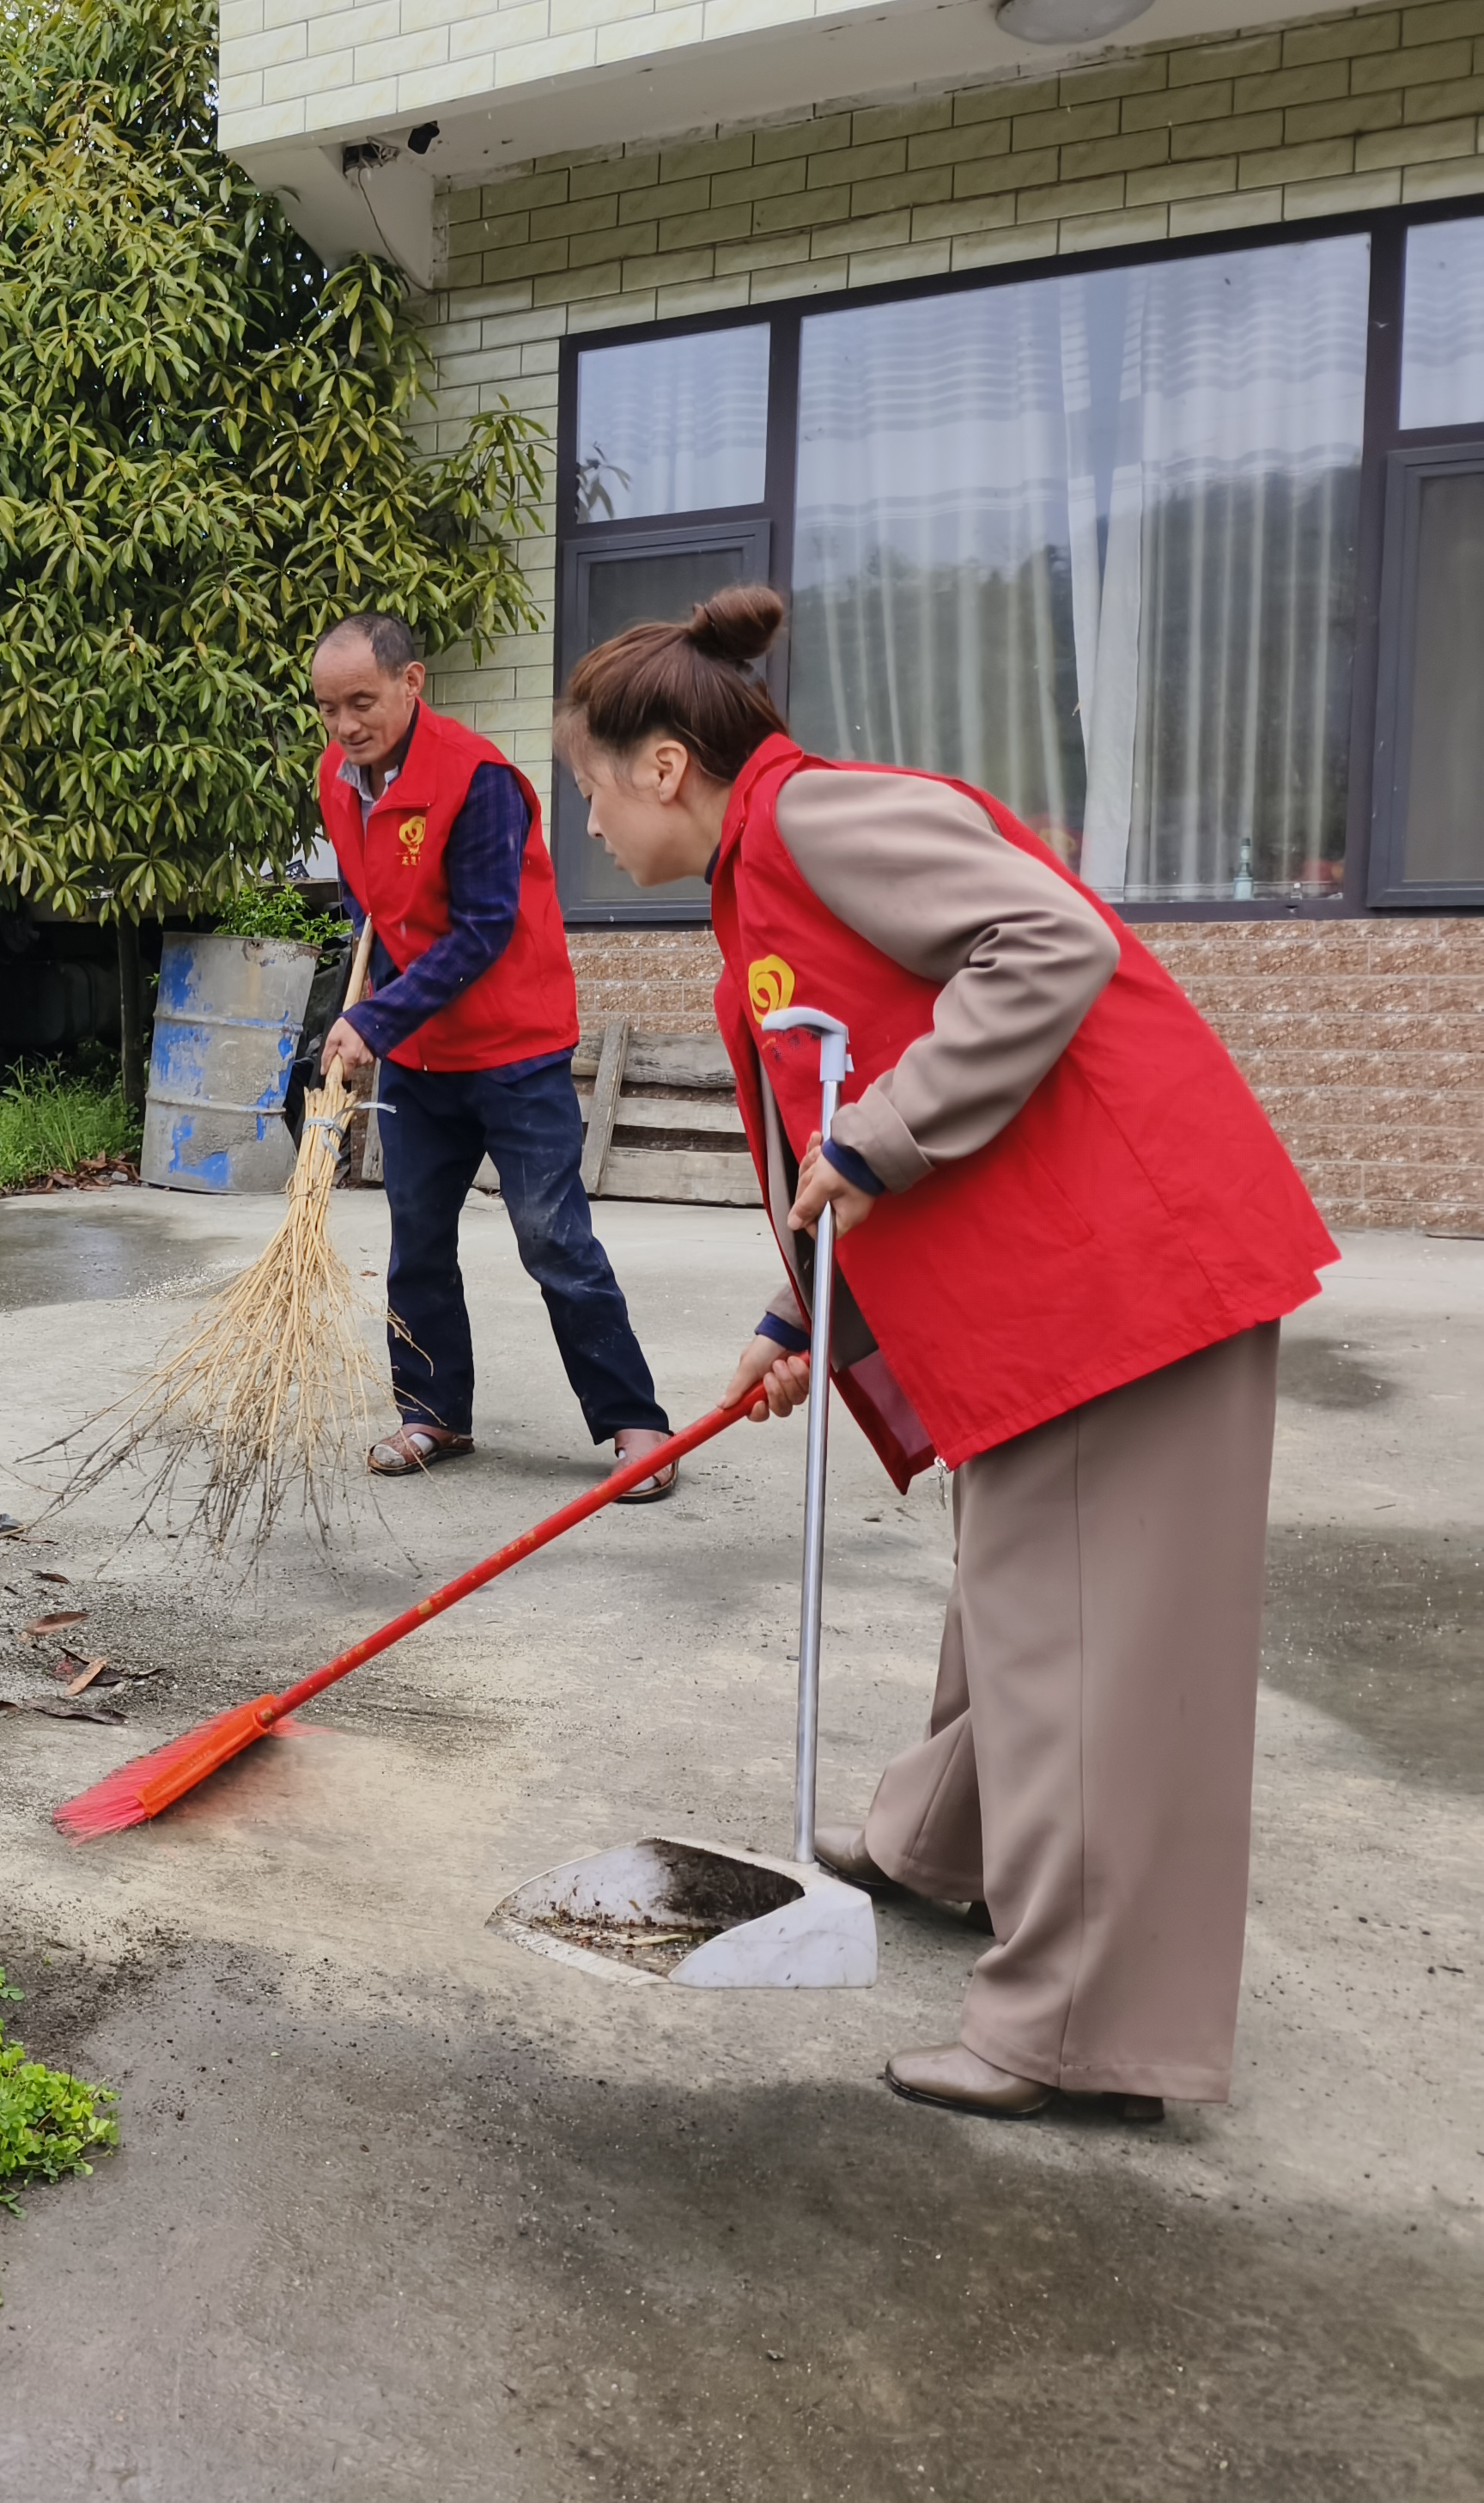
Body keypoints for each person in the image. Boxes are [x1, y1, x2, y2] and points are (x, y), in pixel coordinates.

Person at [560, 586, 1334, 2119]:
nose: (585, 824)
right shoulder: (755, 888)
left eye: (585, 786)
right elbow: (830, 1119)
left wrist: (890, 1129)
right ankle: (944, 1846)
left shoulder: (820, 822)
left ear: (662, 767)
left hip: (1122, 1282)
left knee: (1089, 1654)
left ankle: (1076, 2034)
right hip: (1053, 1293)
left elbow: (1047, 939)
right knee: (1024, 1608)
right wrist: (800, 1319)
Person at [309, 612, 678, 1499]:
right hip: (422, 1058)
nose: (345, 725)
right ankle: (433, 1412)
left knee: (553, 1239)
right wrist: (362, 1012)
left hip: (512, 1050)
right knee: (417, 1243)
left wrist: (377, 1020)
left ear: (412, 682)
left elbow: (480, 930)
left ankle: (638, 1427)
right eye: (327, 709)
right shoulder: (339, 780)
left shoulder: (477, 782)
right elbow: (381, 915)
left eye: (362, 701)